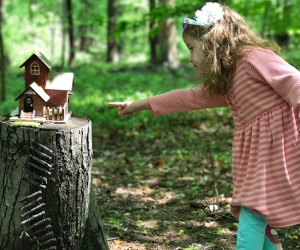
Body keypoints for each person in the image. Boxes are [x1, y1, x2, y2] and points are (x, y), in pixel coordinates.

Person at [108, 2, 300, 249]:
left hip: (280, 154)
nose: (190, 58)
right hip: (258, 159)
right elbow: (190, 97)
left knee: (252, 211)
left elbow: (295, 84)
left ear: (212, 42)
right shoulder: (228, 77)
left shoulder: (254, 58)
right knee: (257, 215)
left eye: (192, 48)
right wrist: (140, 104)